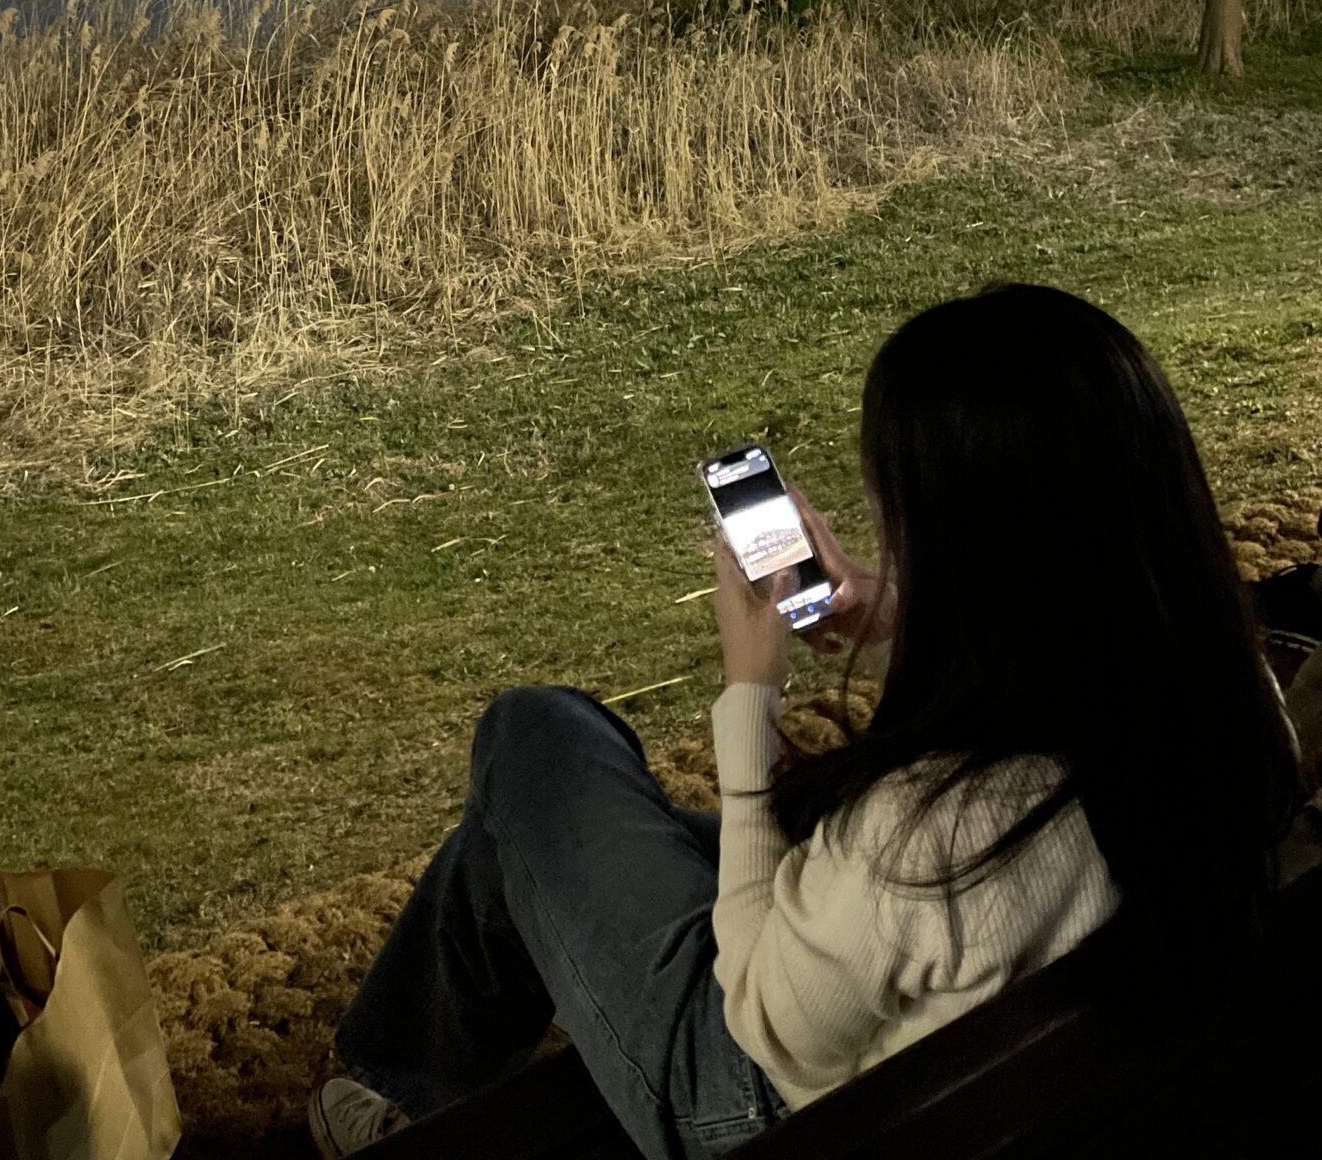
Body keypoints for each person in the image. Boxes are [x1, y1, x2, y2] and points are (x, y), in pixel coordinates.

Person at [307, 285, 1301, 1159]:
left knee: (538, 738)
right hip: (1015, 1060)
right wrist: (886, 605)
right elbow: (1071, 622)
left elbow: (762, 1013)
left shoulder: (927, 833)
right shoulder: (1229, 696)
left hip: (768, 1097)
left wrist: (752, 689)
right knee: (514, 842)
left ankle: (398, 1089)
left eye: (896, 507)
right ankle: (401, 1082)